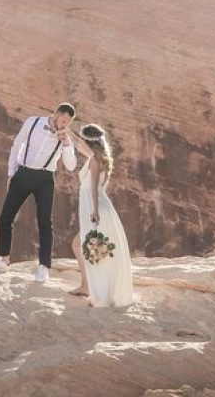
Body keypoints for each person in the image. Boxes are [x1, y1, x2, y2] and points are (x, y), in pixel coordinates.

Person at [0, 102, 77, 283]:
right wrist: (11, 172)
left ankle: (44, 267)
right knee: (6, 216)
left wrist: (66, 144)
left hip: (45, 179)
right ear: (55, 114)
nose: (64, 125)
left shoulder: (66, 137)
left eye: (68, 122)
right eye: (63, 120)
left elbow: (71, 165)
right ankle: (3, 259)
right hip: (24, 173)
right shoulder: (33, 122)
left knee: (45, 222)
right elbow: (17, 144)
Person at [67, 123, 133, 307]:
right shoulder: (99, 158)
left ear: (90, 143)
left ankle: (95, 290)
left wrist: (94, 211)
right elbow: (80, 144)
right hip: (99, 207)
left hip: (95, 207)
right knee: (83, 246)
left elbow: (95, 188)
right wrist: (66, 132)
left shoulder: (95, 161)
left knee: (94, 249)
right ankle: (86, 285)